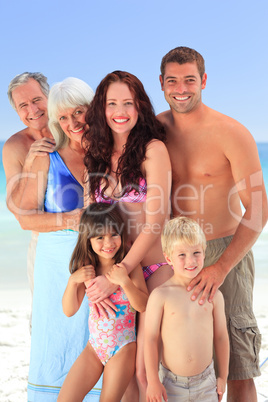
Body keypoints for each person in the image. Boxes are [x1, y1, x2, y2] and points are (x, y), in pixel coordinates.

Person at [157, 46, 268, 401]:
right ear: (161, 83)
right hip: (170, 254)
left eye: (190, 79)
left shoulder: (232, 133)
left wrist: (220, 267)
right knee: (171, 362)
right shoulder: (153, 131)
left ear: (203, 80)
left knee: (237, 364)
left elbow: (258, 208)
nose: (181, 88)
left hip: (222, 249)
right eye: (172, 80)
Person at [83, 70, 173, 400]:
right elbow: (90, 224)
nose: (120, 111)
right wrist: (98, 277)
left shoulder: (153, 150)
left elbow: (157, 221)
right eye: (111, 103)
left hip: (153, 268)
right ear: (101, 109)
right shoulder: (93, 153)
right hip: (112, 274)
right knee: (123, 376)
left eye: (128, 103)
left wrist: (120, 274)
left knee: (147, 371)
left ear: (139, 107)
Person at [19, 77, 98, 401]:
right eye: (63, 117)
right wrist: (71, 218)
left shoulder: (109, 153)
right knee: (56, 339)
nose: (72, 123)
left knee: (96, 340)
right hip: (54, 264)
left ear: (91, 109)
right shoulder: (46, 156)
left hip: (100, 259)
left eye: (78, 113)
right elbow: (25, 218)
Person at [58, 202, 148, 402]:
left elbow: (143, 305)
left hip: (123, 348)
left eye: (114, 234)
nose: (108, 243)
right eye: (100, 237)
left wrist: (124, 281)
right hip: (94, 348)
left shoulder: (129, 266)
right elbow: (69, 310)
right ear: (88, 239)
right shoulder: (87, 268)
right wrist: (73, 281)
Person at [144, 216, 229, 402]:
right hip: (171, 384)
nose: (190, 260)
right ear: (169, 258)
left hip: (207, 383)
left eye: (196, 252)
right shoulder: (160, 295)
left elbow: (221, 335)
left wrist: (223, 376)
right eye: (181, 255)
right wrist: (152, 381)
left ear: (204, 253)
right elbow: (150, 338)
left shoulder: (214, 296)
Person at [3, 72, 55, 298]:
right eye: (23, 105)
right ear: (16, 111)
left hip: (90, 236)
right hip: (44, 242)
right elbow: (19, 212)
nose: (32, 110)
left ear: (49, 96)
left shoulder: (73, 130)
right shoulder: (15, 146)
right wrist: (31, 162)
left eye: (36, 100)